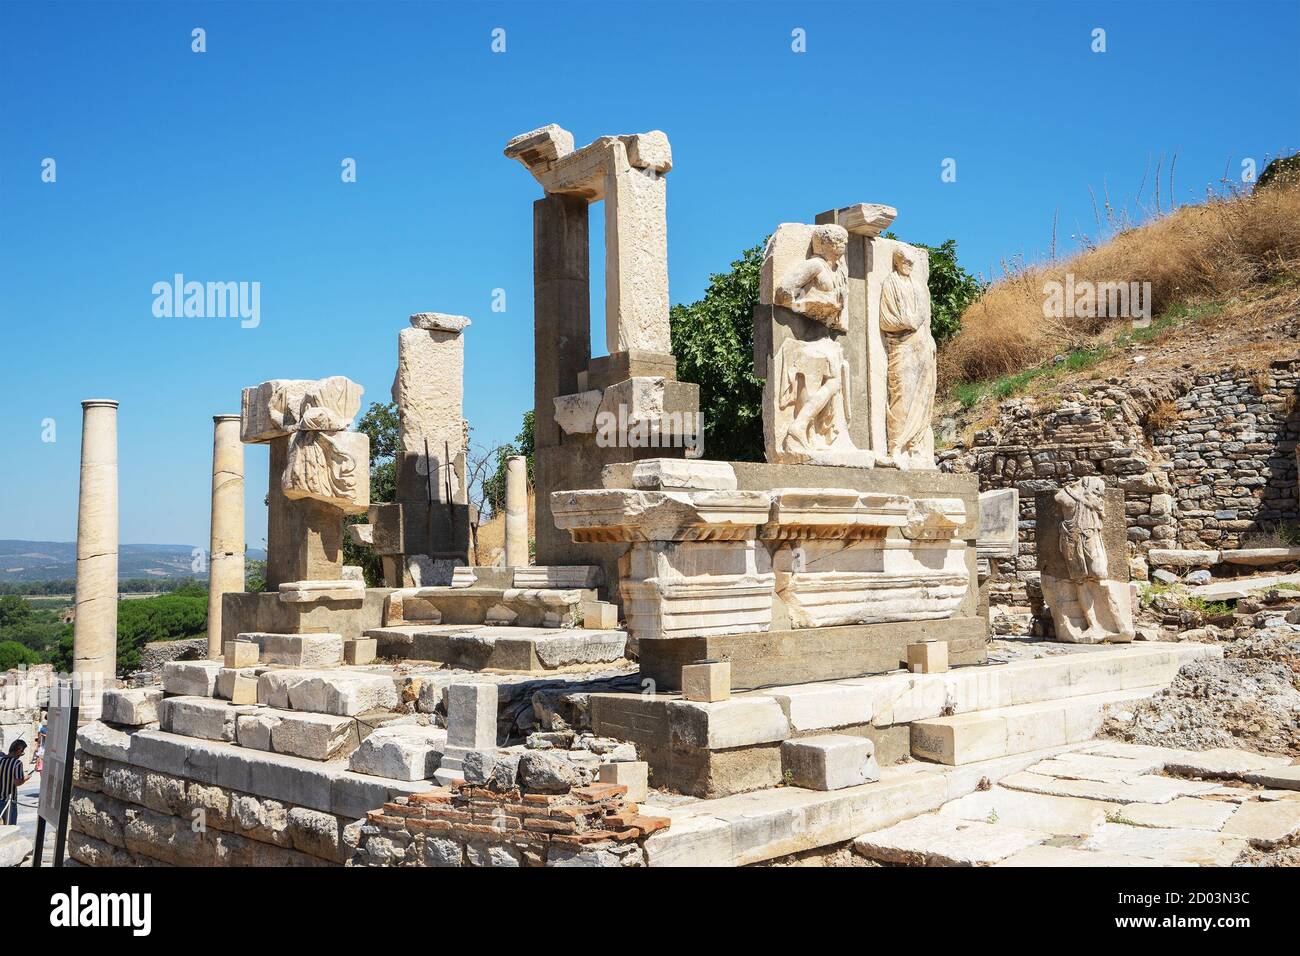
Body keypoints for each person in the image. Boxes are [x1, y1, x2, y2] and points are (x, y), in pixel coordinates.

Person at [0, 740, 28, 825]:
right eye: (22, 752)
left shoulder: (0, 760)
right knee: (10, 826)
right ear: (19, 749)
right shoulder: (17, 763)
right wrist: (25, 779)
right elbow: (17, 782)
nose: (21, 754)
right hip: (9, 800)